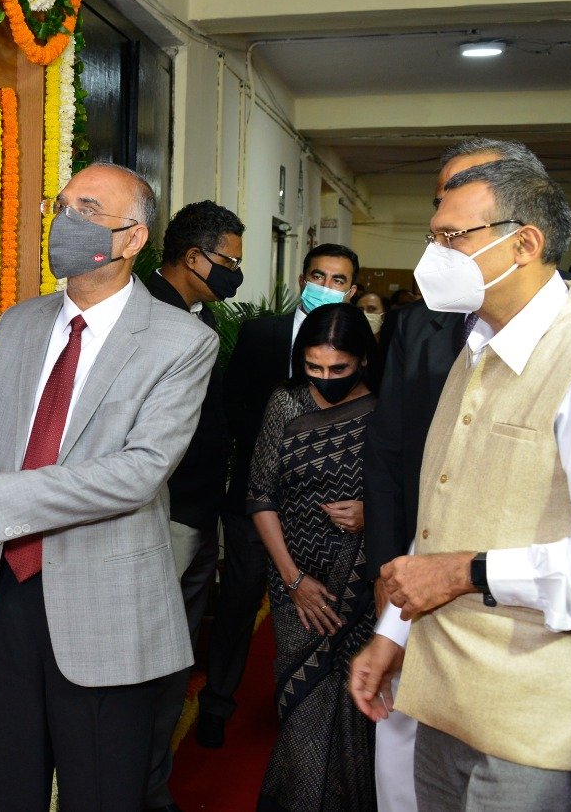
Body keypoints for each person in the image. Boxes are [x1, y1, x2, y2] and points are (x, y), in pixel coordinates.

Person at [0, 162, 219, 812]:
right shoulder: (21, 324)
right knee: (8, 791)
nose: (65, 221)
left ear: (133, 237)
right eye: (61, 206)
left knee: (102, 797)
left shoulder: (180, 342)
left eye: (87, 209)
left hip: (106, 606)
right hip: (7, 596)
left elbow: (139, 472)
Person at [350, 158, 571, 811]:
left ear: (524, 244)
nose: (434, 256)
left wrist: (468, 572)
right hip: (446, 700)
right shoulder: (475, 354)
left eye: (452, 237)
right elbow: (443, 519)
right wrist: (392, 635)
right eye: (432, 236)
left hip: (539, 723)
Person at [196, 243, 360, 749]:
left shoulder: (361, 346)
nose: (326, 286)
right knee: (238, 603)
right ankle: (216, 704)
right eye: (319, 276)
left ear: (352, 291)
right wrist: (281, 442)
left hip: (324, 512)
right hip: (256, 498)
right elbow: (233, 406)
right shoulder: (261, 333)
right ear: (303, 278)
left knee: (320, 607)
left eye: (337, 280)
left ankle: (311, 709)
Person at [249, 303, 379, 812]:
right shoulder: (286, 403)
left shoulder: (386, 407)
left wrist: (373, 513)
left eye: (338, 368)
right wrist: (293, 580)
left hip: (362, 581)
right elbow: (260, 495)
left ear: (363, 359)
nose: (325, 379)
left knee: (355, 704)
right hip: (293, 577)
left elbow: (411, 490)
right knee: (303, 704)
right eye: (313, 367)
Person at [142, 200, 245, 812]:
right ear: (191, 256)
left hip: (198, 512)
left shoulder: (195, 317)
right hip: (167, 514)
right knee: (158, 663)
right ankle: (143, 790)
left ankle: (151, 782)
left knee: (176, 657)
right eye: (228, 262)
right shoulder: (150, 316)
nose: (235, 275)